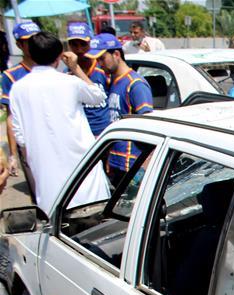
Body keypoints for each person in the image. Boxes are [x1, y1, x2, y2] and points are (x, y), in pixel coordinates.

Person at [9, 32, 109, 212]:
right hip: (84, 178)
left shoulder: (18, 89)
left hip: (48, 185)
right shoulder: (70, 82)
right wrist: (76, 68)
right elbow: (98, 96)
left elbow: (21, 138)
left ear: (30, 54)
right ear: (59, 57)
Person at [86, 33, 153, 185]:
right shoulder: (115, 82)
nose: (99, 64)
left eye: (102, 58)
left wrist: (144, 164)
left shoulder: (135, 85)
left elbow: (148, 128)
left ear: (116, 54)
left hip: (133, 167)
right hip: (117, 163)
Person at [2, 21, 40, 184]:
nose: (33, 45)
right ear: (19, 44)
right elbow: (11, 117)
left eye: (36, 39)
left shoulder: (53, 68)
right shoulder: (11, 76)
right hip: (30, 144)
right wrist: (12, 155)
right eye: (27, 41)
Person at [66, 22, 111, 136]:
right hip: (80, 134)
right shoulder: (66, 74)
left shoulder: (103, 68)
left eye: (83, 44)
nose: (79, 49)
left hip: (104, 133)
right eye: (74, 45)